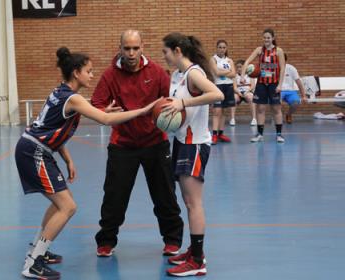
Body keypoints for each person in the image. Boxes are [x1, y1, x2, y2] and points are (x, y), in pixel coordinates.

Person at [15, 47, 158, 279]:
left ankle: (38, 249)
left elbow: (55, 127)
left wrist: (69, 160)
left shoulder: (62, 93)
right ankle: (32, 263)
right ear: (76, 73)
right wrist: (143, 110)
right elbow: (105, 119)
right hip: (34, 152)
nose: (92, 75)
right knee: (67, 207)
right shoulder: (73, 98)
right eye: (89, 71)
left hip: (35, 149)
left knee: (59, 203)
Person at [91, 30, 184, 257]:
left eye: (135, 48)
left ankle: (172, 239)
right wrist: (104, 111)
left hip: (155, 142)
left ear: (143, 46)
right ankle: (106, 241)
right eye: (127, 48)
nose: (131, 53)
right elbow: (96, 105)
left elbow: (172, 98)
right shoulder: (110, 75)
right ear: (120, 48)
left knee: (165, 194)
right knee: (114, 196)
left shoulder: (157, 72)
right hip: (122, 144)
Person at [161, 32, 224, 277]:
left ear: (177, 51)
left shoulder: (193, 73)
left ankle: (197, 261)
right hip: (181, 141)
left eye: (165, 52)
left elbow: (216, 94)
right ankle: (193, 250)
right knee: (188, 202)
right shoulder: (177, 75)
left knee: (193, 202)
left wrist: (182, 104)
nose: (164, 56)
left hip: (195, 144)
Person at [241, 28, 286, 143]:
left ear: (273, 38)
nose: (266, 39)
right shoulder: (259, 50)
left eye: (268, 37)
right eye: (264, 37)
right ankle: (260, 134)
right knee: (260, 109)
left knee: (276, 108)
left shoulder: (279, 51)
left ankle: (279, 134)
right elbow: (246, 62)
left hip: (274, 84)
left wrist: (280, 84)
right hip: (261, 83)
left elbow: (282, 69)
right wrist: (242, 76)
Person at [209, 40, 236, 145]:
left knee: (224, 111)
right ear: (216, 48)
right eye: (220, 47)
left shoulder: (230, 60)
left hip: (228, 86)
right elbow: (216, 72)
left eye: (224, 47)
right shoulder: (213, 59)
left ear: (226, 49)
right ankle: (214, 135)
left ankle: (220, 134)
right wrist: (228, 72)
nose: (222, 49)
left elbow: (234, 74)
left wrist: (223, 72)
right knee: (217, 112)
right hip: (218, 86)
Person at [281, 53, 307, 124]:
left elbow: (299, 82)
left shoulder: (291, 68)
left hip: (290, 91)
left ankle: (288, 114)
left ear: (285, 61)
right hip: (278, 90)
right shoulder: (273, 68)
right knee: (276, 102)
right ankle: (278, 117)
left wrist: (304, 96)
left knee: (296, 102)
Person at [230, 59, 257, 126]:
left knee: (250, 97)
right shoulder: (235, 76)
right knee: (234, 98)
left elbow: (253, 86)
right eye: (238, 67)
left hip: (247, 92)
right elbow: (235, 87)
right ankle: (232, 118)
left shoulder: (250, 74)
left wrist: (247, 91)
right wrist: (239, 93)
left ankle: (254, 118)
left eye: (241, 67)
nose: (239, 69)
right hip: (238, 93)